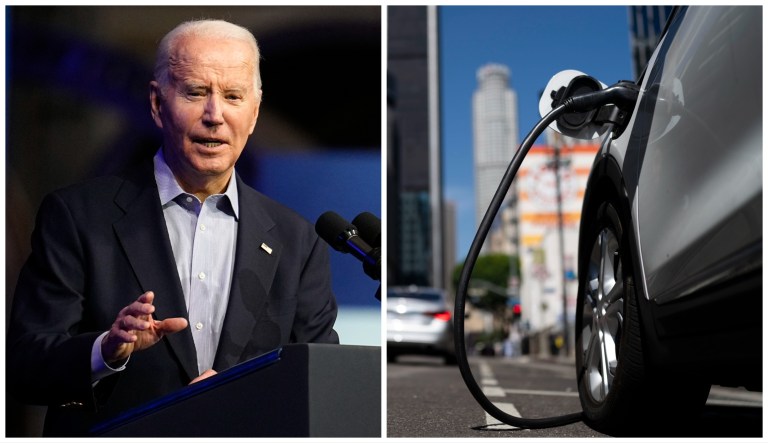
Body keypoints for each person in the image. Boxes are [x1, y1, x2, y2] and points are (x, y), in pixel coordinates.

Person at [6, 19, 339, 436]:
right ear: (157, 104)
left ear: (253, 114)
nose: (214, 115)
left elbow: (323, 381)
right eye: (196, 92)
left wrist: (245, 398)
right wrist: (105, 351)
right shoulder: (77, 216)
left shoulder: (296, 240)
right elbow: (24, 366)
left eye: (233, 96)